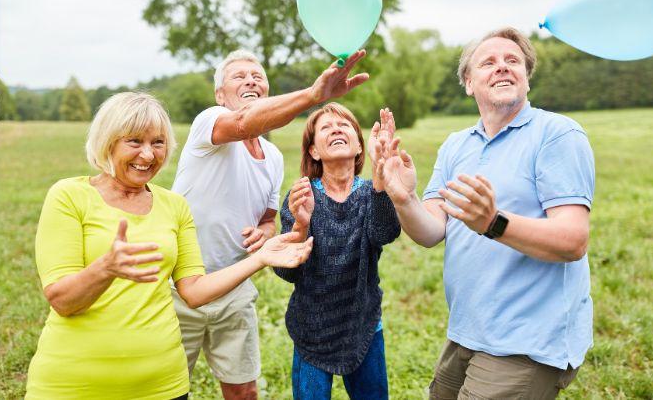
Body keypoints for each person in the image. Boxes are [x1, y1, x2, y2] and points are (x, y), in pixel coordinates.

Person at [26, 92, 313, 400]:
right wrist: (105, 268)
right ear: (107, 141)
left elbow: (194, 291)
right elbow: (62, 300)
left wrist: (260, 259)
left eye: (158, 143)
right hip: (74, 385)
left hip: (163, 385)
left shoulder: (174, 205)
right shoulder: (69, 196)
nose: (148, 155)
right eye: (134, 141)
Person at [374, 27, 596, 399]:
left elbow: (573, 241)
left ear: (526, 78)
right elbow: (430, 232)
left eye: (513, 61)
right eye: (488, 62)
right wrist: (404, 197)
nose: (503, 68)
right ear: (468, 83)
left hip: (526, 342)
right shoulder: (456, 145)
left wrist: (494, 223)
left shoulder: (557, 134)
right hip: (467, 331)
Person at [171, 50, 369, 399]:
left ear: (267, 89)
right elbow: (246, 121)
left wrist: (261, 233)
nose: (250, 80)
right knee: (168, 391)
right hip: (178, 285)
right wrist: (313, 95)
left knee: (245, 391)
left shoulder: (273, 157)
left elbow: (266, 220)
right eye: (239, 76)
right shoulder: (210, 121)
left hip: (234, 286)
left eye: (257, 76)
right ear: (220, 95)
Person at [275, 104, 401, 400]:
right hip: (311, 330)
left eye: (344, 125)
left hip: (363, 325)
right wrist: (300, 225)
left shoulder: (372, 192)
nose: (336, 129)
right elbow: (285, 271)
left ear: (359, 146)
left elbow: (385, 234)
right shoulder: (302, 197)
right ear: (314, 151)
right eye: (326, 127)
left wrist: (381, 181)